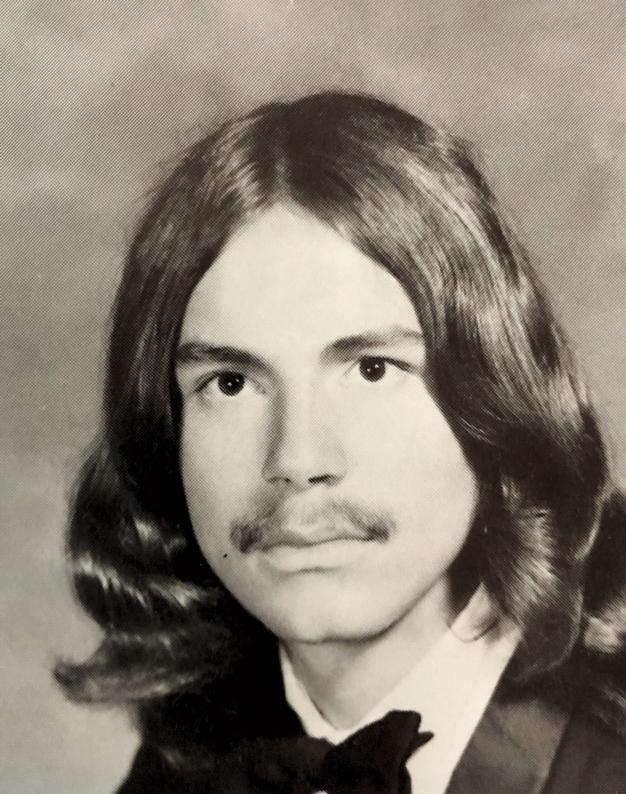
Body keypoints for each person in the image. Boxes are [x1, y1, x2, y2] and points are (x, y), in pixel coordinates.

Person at [56, 92, 626, 792]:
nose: (297, 460)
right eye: (231, 383)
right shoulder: (182, 771)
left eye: (372, 369)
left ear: (495, 395)